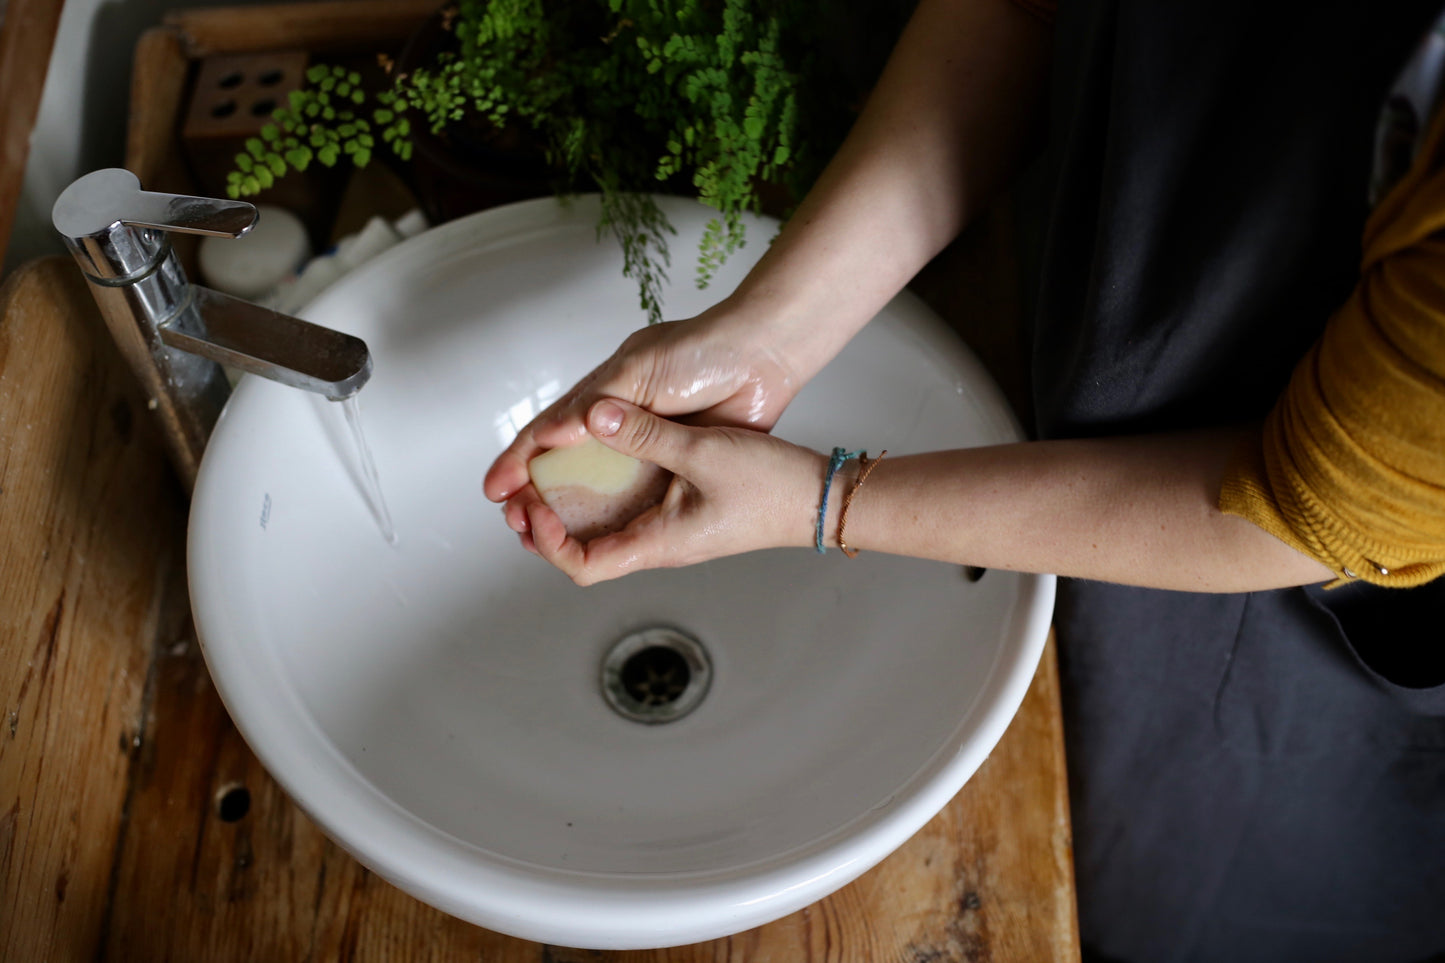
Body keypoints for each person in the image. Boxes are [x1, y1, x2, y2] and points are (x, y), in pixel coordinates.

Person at [485, 1, 1445, 960]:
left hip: (1263, 604)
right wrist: (768, 339)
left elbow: (1290, 508)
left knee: (1179, 864)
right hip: (1081, 346)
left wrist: (823, 501)